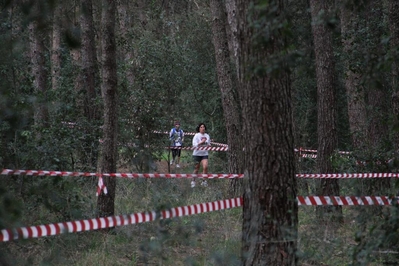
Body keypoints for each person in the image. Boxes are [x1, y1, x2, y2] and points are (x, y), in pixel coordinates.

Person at [191, 122, 211, 188]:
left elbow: (209, 144)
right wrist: (201, 142)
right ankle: (193, 181)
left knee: (205, 167)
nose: (203, 128)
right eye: (201, 127)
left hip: (204, 154)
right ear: (199, 128)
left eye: (204, 127)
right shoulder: (196, 135)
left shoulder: (207, 135)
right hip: (196, 154)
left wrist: (208, 144)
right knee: (196, 169)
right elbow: (194, 144)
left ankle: (204, 181)